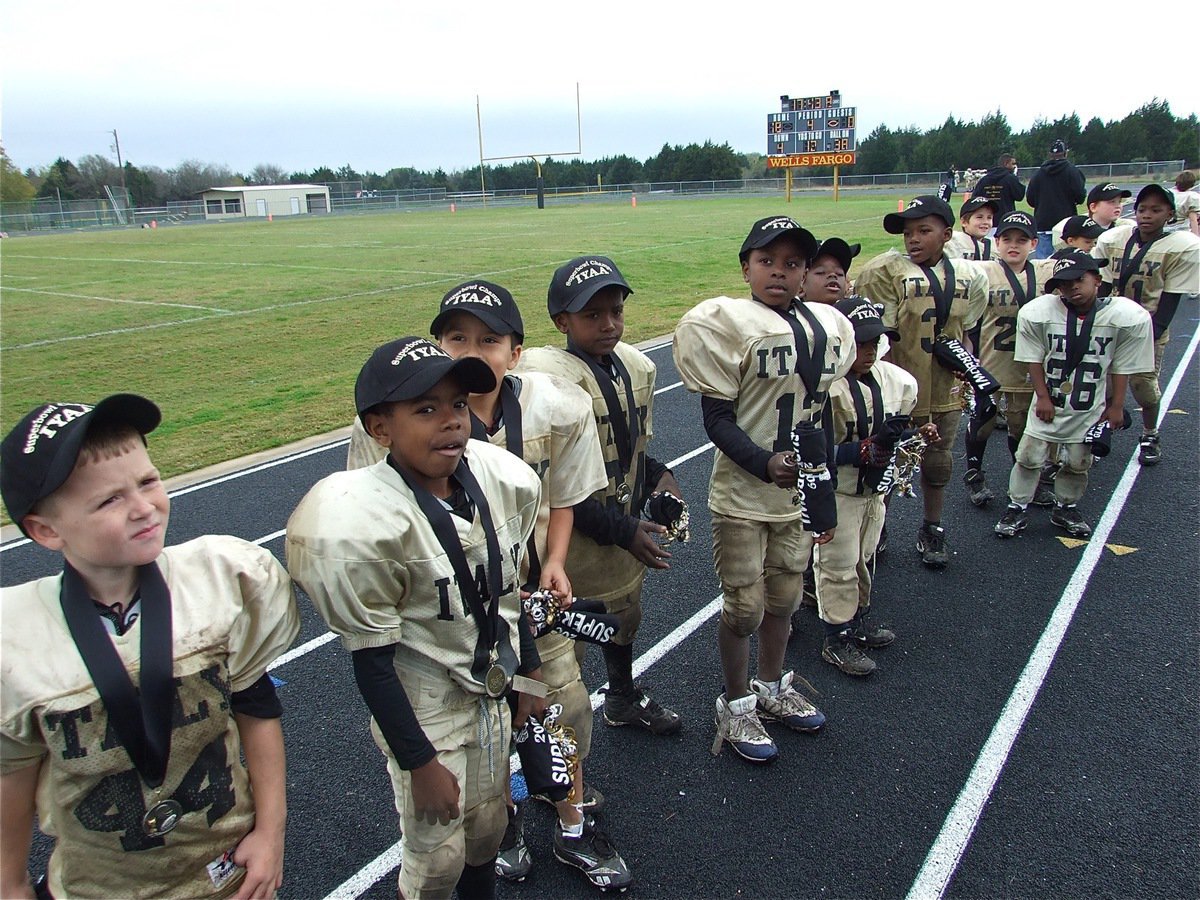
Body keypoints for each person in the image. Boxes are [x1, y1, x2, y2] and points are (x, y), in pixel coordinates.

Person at [344, 282, 632, 890]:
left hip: (530, 608)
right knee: (481, 735)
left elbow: (562, 496)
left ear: (515, 351)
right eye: (457, 337)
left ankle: (571, 821)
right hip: (453, 621)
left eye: (489, 339)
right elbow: (378, 521)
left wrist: (555, 562)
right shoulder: (401, 423)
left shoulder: (554, 406)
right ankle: (502, 823)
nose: (473, 350)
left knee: (561, 710)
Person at [0, 394, 300, 900]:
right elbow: (12, 772)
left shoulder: (221, 581)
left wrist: (271, 832)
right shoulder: (16, 637)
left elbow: (257, 709)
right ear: (46, 530)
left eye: (148, 481)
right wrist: (10, 882)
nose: (143, 508)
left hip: (226, 870)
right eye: (109, 500)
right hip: (99, 886)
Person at [286, 339, 544, 899]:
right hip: (427, 704)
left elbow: (507, 595)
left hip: (490, 692)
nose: (451, 421)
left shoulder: (502, 481)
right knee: (436, 863)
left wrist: (531, 672)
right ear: (380, 428)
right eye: (426, 409)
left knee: (487, 830)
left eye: (458, 404)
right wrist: (419, 762)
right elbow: (372, 665)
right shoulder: (366, 519)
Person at [673, 215, 855, 762]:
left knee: (785, 599)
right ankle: (734, 703)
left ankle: (772, 685)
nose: (779, 272)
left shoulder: (829, 325)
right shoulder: (726, 323)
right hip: (742, 495)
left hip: (794, 497)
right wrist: (762, 461)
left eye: (792, 263)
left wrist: (822, 483)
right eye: (767, 261)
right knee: (744, 608)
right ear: (745, 267)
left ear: (805, 272)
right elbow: (716, 419)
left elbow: (821, 413)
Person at [518, 256, 684, 737]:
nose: (609, 324)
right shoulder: (542, 383)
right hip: (567, 546)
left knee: (624, 619)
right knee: (562, 652)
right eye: (592, 315)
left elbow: (629, 452)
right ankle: (550, 746)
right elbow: (555, 484)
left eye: (616, 311)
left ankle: (622, 698)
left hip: (620, 532)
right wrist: (623, 528)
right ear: (562, 322)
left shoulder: (635, 367)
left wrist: (661, 479)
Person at [854, 196, 988, 568]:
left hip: (945, 387)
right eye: (908, 232)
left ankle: (932, 526)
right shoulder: (887, 272)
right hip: (900, 390)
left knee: (938, 463)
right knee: (886, 462)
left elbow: (966, 331)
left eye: (923, 230)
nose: (913, 238)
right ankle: (877, 527)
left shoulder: (969, 275)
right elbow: (880, 340)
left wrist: (968, 367)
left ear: (947, 234)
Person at [995, 251, 1154, 538]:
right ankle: (1017, 506)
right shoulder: (1042, 312)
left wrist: (1117, 405)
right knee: (1029, 456)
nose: (1072, 288)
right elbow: (1033, 358)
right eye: (1064, 284)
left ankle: (1065, 507)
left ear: (1097, 279)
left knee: (1078, 462)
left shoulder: (1121, 316)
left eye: (1079, 280)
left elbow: (1121, 366)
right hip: (1050, 401)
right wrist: (1042, 396)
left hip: (1088, 405)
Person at [815, 297, 927, 676]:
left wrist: (914, 436)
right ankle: (835, 638)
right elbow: (804, 450)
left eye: (874, 342)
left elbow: (891, 436)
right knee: (837, 564)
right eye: (859, 343)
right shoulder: (823, 387)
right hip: (838, 491)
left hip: (874, 490)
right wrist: (857, 451)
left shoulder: (897, 381)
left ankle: (856, 619)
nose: (868, 351)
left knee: (864, 558)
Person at [1092, 184, 1200, 466]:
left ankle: (1150, 433)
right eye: (1142, 209)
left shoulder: (1178, 247)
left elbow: (1170, 299)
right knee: (1102, 385)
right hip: (1112, 326)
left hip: (1149, 326)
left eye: (1156, 210)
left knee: (1145, 388)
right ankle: (1101, 428)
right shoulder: (1114, 239)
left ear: (1170, 214)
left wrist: (1153, 332)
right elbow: (1102, 287)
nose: (1146, 215)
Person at [961, 211, 1056, 507]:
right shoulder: (983, 272)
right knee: (983, 422)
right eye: (1007, 239)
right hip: (991, 363)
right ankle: (975, 473)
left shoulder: (1045, 273)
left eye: (1021, 240)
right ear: (997, 242)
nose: (1013, 245)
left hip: (1029, 367)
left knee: (1021, 427)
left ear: (1034, 244)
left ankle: (1025, 480)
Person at [1026, 139, 1086, 259]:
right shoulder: (1072, 171)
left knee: (1043, 263)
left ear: (1050, 154)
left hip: (1043, 222)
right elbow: (1080, 197)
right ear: (1066, 153)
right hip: (1065, 223)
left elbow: (1030, 199)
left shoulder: (1039, 174)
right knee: (1067, 259)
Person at [1051, 184, 1133, 250]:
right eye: (1112, 202)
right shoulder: (1069, 227)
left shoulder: (1127, 227)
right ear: (1093, 207)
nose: (1118, 206)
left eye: (1119, 202)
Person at [947, 197, 1000, 261]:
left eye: (989, 218)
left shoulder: (996, 246)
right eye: (979, 217)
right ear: (964, 222)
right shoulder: (953, 242)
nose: (985, 222)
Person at [1169, 171, 1200, 237]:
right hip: (1182, 232)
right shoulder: (1192, 197)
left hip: (1165, 229)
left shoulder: (1168, 193)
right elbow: (1193, 220)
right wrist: (1196, 237)